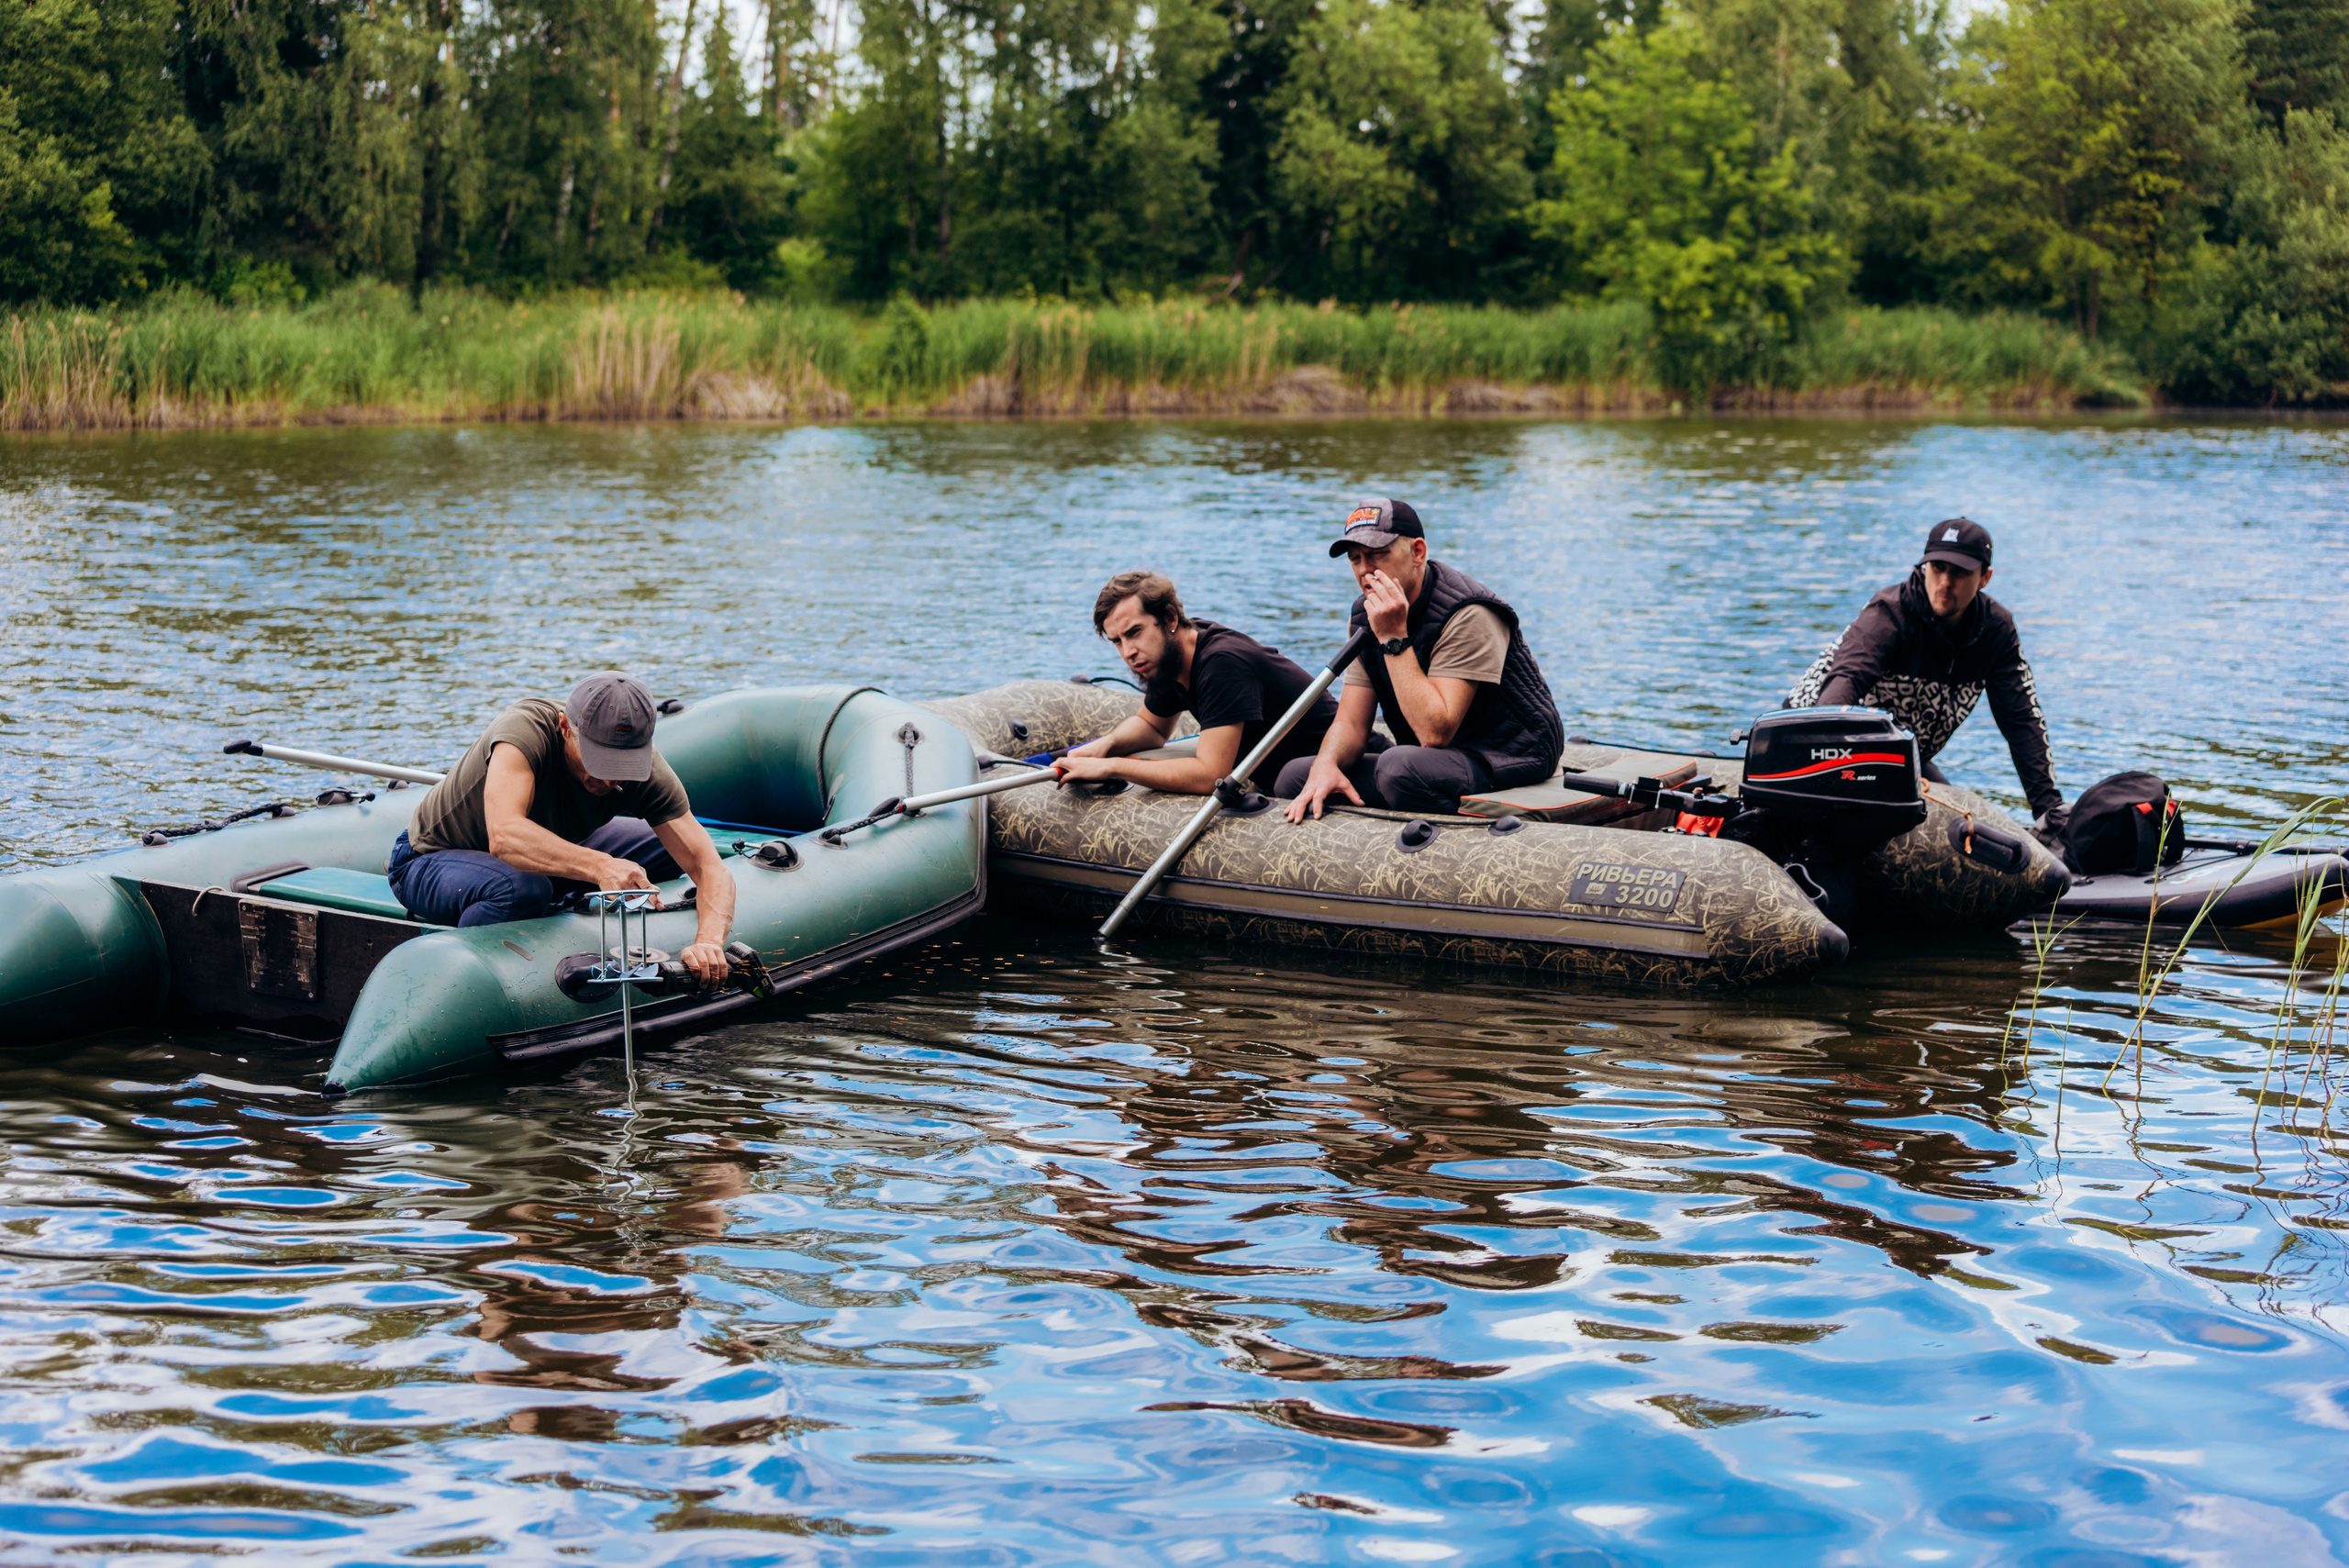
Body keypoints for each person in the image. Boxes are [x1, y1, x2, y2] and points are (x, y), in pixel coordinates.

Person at [385, 671, 736, 985]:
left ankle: (552, 898)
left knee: (658, 850)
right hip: (428, 860)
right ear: (566, 727)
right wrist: (601, 866)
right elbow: (505, 836)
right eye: (600, 760)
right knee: (520, 887)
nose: (610, 777)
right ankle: (471, 975)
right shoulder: (524, 730)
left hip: (544, 850)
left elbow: (709, 867)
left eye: (623, 763)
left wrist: (707, 942)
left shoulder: (647, 769)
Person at [1278, 497, 1565, 819]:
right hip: (1434, 761)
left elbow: (1434, 733)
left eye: (1377, 555)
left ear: (1418, 552)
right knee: (1296, 776)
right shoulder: (1366, 614)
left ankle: (1455, 837)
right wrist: (1325, 766)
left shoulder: (1470, 612)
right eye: (1355, 559)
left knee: (1399, 768)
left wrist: (1392, 638)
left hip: (1508, 755)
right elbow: (1351, 722)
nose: (1365, 570)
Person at [1787, 517, 2065, 831]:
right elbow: (1841, 689)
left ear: (1984, 578)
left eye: (1959, 573)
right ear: (1924, 568)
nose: (1945, 582)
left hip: (1901, 757)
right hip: (1817, 742)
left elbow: (2021, 720)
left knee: (1965, 820)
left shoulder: (1995, 630)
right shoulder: (1889, 613)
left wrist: (2048, 808)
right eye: (1937, 568)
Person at [1056, 571, 1341, 794]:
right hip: (1291, 777)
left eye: (1135, 632)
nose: (1128, 652)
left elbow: (1210, 776)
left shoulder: (1221, 662)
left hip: (1336, 767)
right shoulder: (1167, 656)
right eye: (1118, 641)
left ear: (1168, 617)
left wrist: (1111, 767)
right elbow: (1152, 727)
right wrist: (1108, 745)